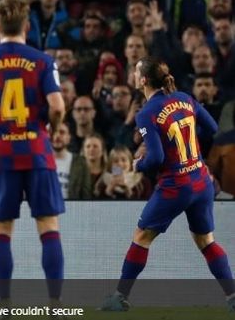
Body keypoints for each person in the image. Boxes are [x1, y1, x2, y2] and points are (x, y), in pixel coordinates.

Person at [101, 57, 235, 312]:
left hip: (176, 186)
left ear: (142, 80)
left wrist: (139, 164)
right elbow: (213, 127)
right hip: (200, 180)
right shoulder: (184, 97)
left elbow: (157, 159)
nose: (132, 72)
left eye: (136, 70)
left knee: (141, 237)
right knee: (206, 241)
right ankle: (232, 297)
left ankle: (119, 297)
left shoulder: (146, 113)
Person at [0, 0, 66, 304]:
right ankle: (55, 304)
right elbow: (58, 106)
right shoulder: (43, 61)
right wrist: (51, 128)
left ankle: (4, 305)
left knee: (2, 229)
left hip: (1, 152)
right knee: (47, 226)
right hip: (36, 149)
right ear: (27, 25)